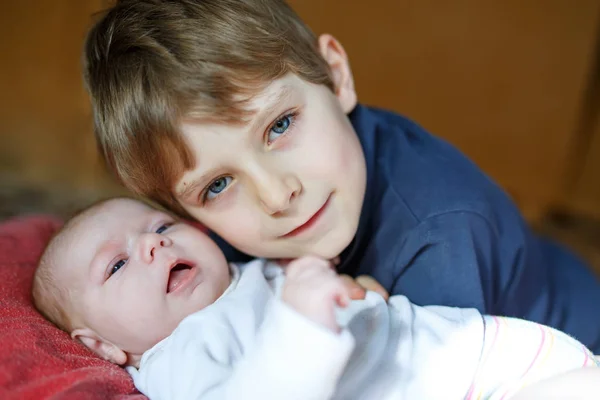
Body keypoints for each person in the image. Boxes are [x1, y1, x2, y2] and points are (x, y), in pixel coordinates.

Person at [83, 0, 600, 352]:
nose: (278, 194)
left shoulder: (438, 237)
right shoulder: (212, 238)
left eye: (280, 126)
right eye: (218, 185)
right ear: (183, 215)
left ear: (336, 76)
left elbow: (426, 379)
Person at [32, 198, 599, 400]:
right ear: (103, 346)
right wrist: (301, 322)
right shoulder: (176, 359)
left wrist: (354, 294)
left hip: (479, 355)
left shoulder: (244, 272)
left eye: (159, 226)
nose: (152, 246)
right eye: (119, 264)